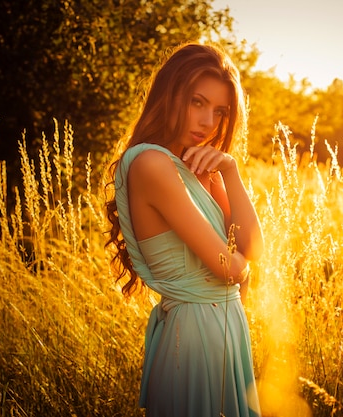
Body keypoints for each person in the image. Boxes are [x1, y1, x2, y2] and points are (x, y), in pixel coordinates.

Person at [105, 42, 263, 416]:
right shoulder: (152, 164)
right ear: (170, 95)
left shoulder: (198, 167)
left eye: (219, 111)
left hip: (223, 326)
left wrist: (230, 170)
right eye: (197, 102)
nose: (208, 122)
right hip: (192, 335)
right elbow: (230, 267)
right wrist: (240, 267)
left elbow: (253, 248)